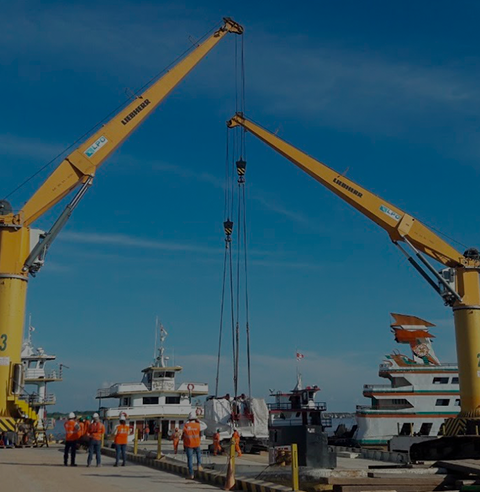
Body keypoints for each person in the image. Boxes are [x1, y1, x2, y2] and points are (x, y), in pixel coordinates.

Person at [182, 410, 207, 480]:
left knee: (190, 460)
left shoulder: (186, 425)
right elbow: (205, 426)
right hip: (197, 443)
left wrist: (187, 421)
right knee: (198, 455)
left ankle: (191, 474)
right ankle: (199, 465)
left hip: (189, 444)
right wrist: (198, 420)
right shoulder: (198, 425)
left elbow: (182, 427)